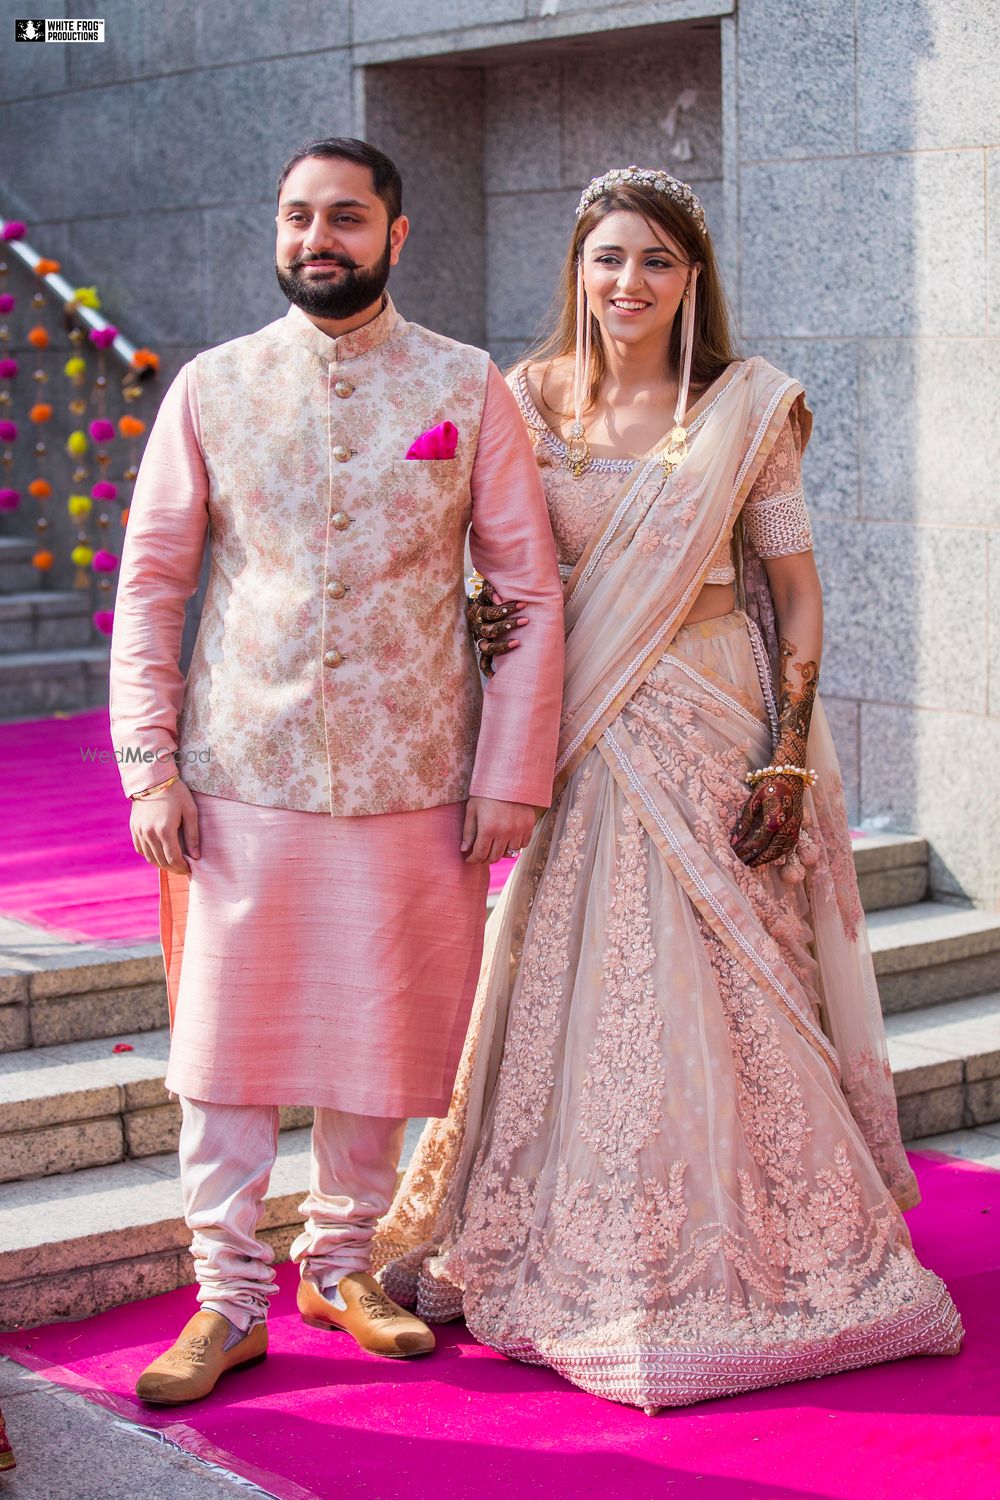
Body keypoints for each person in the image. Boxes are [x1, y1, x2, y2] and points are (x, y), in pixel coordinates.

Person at [374, 166, 963, 1413]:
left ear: (692, 277)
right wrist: (480, 617)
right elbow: (487, 559)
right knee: (583, 974)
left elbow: (794, 591)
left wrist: (787, 750)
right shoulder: (522, 400)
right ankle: (577, 1247)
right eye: (606, 259)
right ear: (575, 273)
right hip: (582, 721)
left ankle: (777, 1248)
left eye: (653, 260)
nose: (626, 282)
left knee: (732, 971)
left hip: (712, 709)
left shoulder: (746, 407)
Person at [108, 137, 564, 1405]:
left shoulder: (464, 387)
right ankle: (226, 1297)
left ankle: (342, 1261)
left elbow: (524, 590)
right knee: (227, 1049)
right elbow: (152, 587)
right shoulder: (213, 386)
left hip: (414, 770)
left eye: (347, 218)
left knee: (380, 1036)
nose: (321, 238)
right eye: (300, 216)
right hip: (235, 772)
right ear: (278, 231)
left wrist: (507, 765)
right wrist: (150, 766)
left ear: (396, 235)